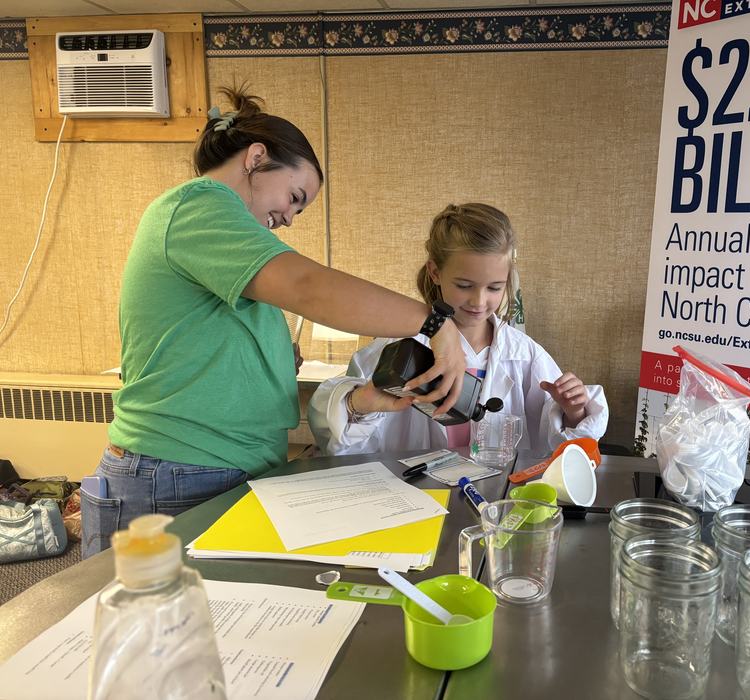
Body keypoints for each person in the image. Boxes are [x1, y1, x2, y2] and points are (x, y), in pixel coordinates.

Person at [82, 86, 466, 557]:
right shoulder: (198, 206)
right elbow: (307, 287)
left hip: (217, 464)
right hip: (178, 467)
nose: (288, 217)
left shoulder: (230, 246)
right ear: (256, 158)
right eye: (295, 196)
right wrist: (436, 323)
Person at [309, 203, 609, 457]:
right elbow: (335, 439)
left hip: (495, 505)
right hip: (415, 498)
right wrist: (358, 402)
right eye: (464, 286)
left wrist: (574, 410)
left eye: (494, 287)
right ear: (435, 272)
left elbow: (562, 448)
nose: (479, 301)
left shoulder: (524, 355)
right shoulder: (396, 347)